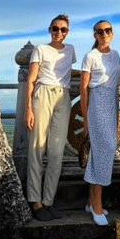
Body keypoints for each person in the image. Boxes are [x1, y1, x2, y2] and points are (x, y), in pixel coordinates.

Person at [24, 14, 76, 222]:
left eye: (63, 29)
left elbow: (69, 72)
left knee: (56, 151)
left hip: (63, 97)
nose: (59, 33)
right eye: (55, 29)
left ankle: (48, 201)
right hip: (43, 94)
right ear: (50, 30)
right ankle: (35, 202)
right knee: (37, 148)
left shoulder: (70, 50)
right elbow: (31, 78)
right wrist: (29, 109)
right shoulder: (40, 49)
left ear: (67, 32)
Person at [80, 20, 120, 226]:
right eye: (100, 31)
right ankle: (97, 206)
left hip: (112, 103)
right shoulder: (90, 56)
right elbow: (83, 88)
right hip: (97, 102)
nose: (104, 34)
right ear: (95, 35)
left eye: (107, 30)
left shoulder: (115, 55)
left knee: (104, 150)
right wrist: (86, 119)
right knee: (103, 150)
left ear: (112, 33)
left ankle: (91, 202)